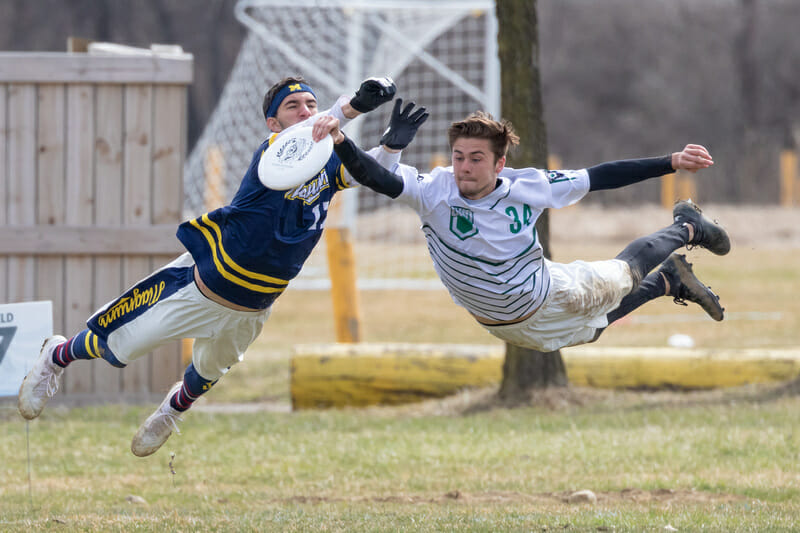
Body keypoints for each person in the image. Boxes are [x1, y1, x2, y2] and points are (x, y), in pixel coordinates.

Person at [18, 75, 400, 457]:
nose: (306, 112)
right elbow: (306, 136)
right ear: (273, 124)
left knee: (209, 371)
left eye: (311, 105)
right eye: (293, 106)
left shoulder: (330, 163)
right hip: (200, 289)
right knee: (119, 346)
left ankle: (170, 410)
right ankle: (57, 356)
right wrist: (353, 105)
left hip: (255, 305)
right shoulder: (272, 154)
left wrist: (392, 144)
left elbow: (374, 174)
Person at [312, 107, 730, 353]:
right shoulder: (433, 190)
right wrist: (346, 141)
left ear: (499, 165)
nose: (464, 167)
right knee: (594, 330)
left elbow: (599, 176)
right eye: (458, 157)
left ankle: (686, 226)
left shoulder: (528, 186)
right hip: (501, 324)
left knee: (624, 275)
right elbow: (376, 178)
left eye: (476, 158)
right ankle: (671, 279)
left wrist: (670, 162)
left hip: (553, 293)